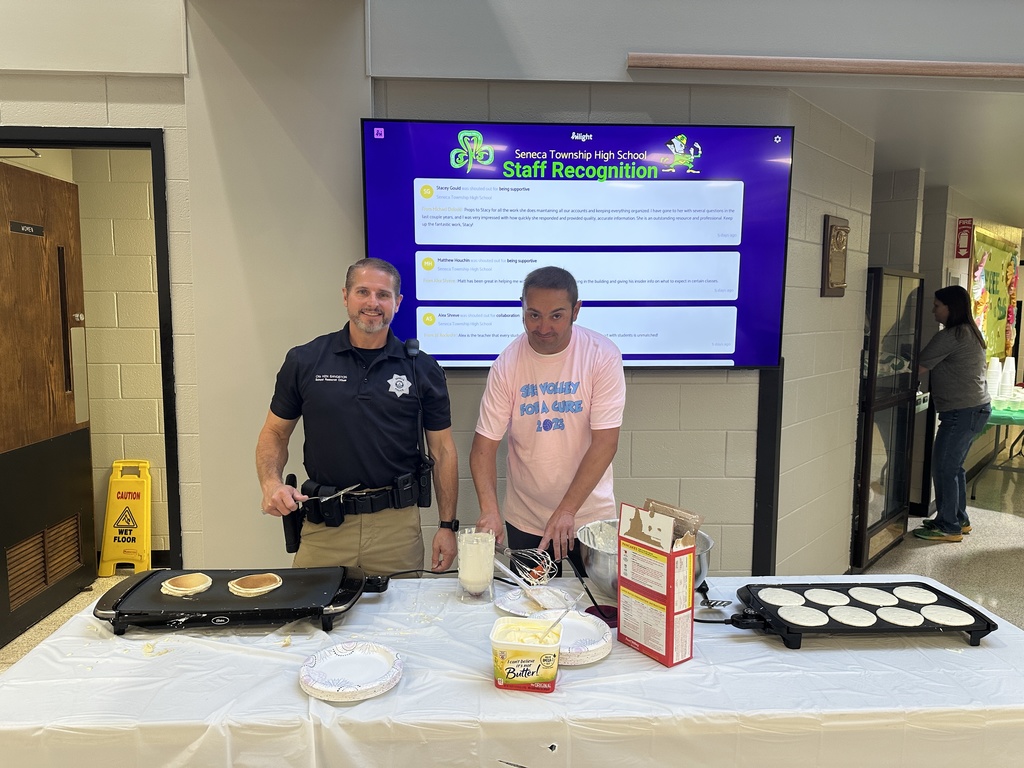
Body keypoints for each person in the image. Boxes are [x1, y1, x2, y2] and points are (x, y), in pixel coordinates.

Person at [256, 258, 459, 575]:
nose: (373, 303)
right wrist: (270, 483)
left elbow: (443, 450)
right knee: (312, 619)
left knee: (402, 622)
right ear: (345, 296)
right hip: (325, 526)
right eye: (363, 292)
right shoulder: (306, 360)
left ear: (397, 302)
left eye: (383, 294)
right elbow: (275, 434)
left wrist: (448, 525)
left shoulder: (422, 368)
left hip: (397, 530)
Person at [470, 266, 626, 575]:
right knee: (532, 609)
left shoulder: (602, 356)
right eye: (534, 315)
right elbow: (483, 448)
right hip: (527, 517)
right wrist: (489, 511)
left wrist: (567, 510)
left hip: (589, 515)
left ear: (575, 311)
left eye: (556, 315)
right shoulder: (507, 364)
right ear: (522, 308)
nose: (543, 327)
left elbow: (605, 444)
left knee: (600, 608)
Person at [915, 284, 991, 543]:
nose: (933, 310)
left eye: (937, 306)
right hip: (974, 409)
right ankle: (959, 518)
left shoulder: (951, 335)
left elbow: (920, 367)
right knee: (954, 466)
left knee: (945, 467)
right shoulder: (969, 331)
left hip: (962, 412)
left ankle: (949, 526)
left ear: (950, 308)